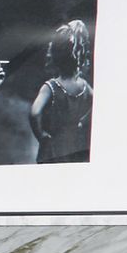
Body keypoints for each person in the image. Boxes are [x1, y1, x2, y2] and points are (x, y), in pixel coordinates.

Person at [29, 19, 93, 164]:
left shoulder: (51, 86)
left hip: (53, 147)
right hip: (75, 145)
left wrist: (42, 135)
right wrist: (83, 122)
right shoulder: (84, 86)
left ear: (56, 56)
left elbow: (34, 112)